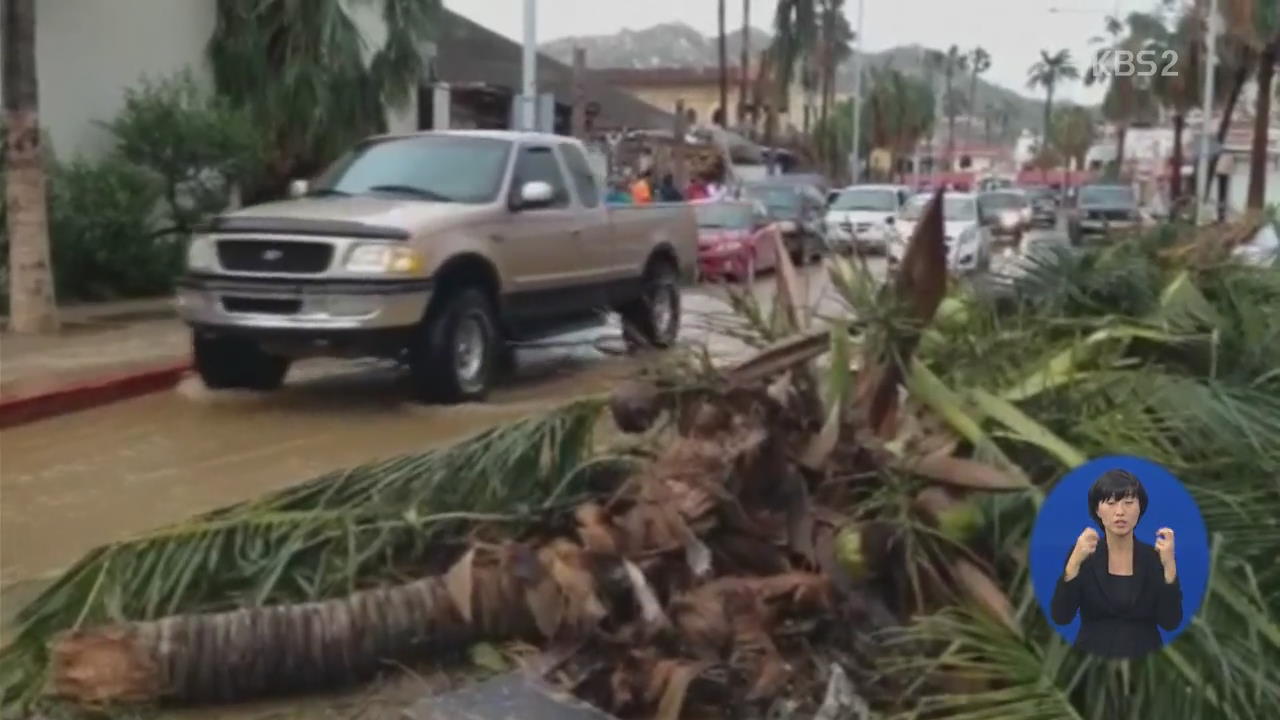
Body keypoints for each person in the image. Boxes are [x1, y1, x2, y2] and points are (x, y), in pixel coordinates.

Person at [1050, 468, 1182, 659]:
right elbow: (1061, 617)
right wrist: (1073, 564)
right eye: (1111, 503)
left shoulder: (1154, 557)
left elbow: (1170, 622)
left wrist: (1169, 566)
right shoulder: (1082, 555)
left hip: (1145, 662)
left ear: (1140, 508)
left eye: (1128, 503)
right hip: (1090, 663)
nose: (1120, 512)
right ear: (1097, 510)